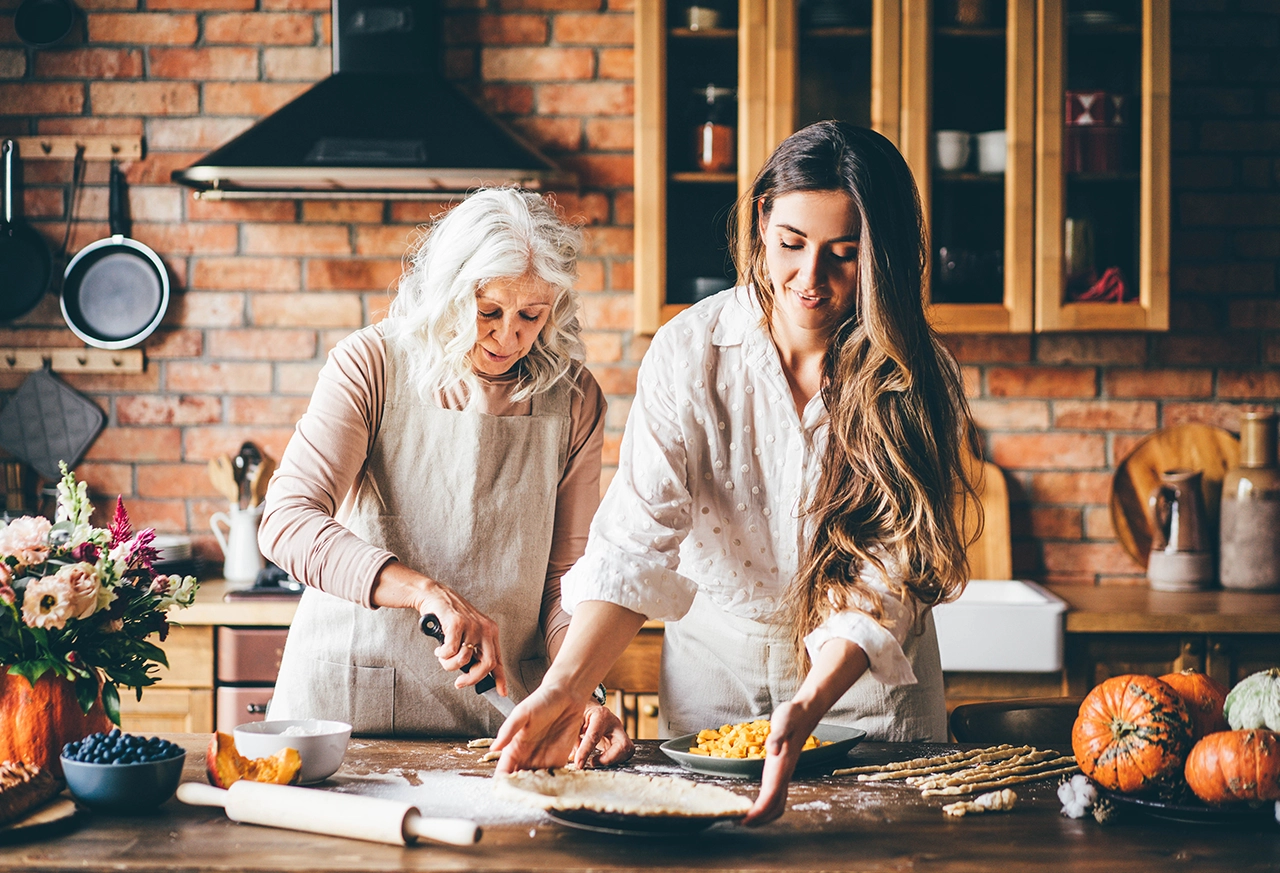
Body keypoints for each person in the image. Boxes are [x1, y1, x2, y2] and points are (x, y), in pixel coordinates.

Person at [491, 122, 979, 823]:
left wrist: (810, 702)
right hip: (715, 671)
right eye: (791, 245)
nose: (810, 280)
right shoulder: (690, 352)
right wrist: (567, 688)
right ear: (760, 222)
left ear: (885, 258)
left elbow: (884, 577)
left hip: (863, 681)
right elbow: (635, 543)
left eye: (845, 255)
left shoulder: (914, 374)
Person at [259, 187, 630, 761]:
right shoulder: (371, 365)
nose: (510, 337)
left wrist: (579, 689)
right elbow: (285, 521)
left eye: (531, 315)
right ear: (447, 296)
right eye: (489, 313)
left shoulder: (575, 399)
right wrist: (424, 592)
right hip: (350, 711)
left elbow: (565, 583)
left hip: (502, 717)